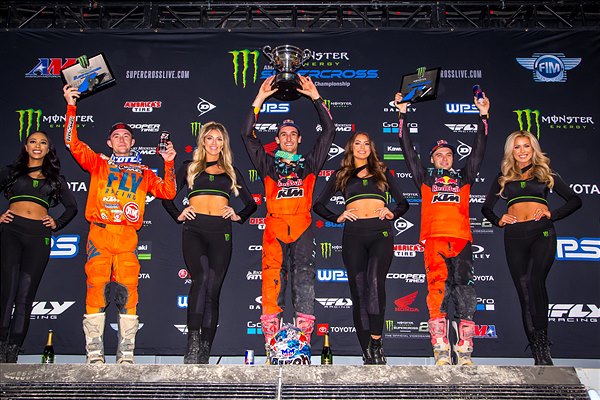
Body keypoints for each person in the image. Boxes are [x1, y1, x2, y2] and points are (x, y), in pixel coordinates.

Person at [62, 84, 176, 364]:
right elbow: (71, 142)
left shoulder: (143, 172)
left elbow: (169, 192)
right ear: (109, 142)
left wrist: (169, 163)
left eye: (126, 136)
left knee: (128, 294)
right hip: (100, 234)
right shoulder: (99, 164)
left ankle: (126, 354)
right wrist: (71, 106)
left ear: (133, 142)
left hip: (127, 237)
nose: (122, 139)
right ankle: (94, 353)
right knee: (96, 290)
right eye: (116, 136)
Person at [241, 75, 335, 357]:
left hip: (302, 227)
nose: (289, 138)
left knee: (304, 282)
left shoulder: (309, 164)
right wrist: (260, 98)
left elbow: (329, 131)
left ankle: (302, 346)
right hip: (274, 230)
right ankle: (272, 347)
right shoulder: (268, 164)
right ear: (277, 140)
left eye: (293, 134)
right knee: (271, 283)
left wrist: (315, 97)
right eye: (284, 134)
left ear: (299, 139)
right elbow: (246, 135)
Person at [394, 91, 490, 365]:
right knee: (437, 292)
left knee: (465, 292)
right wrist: (402, 114)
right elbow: (407, 149)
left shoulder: (464, 177)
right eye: (439, 155)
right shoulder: (425, 177)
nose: (445, 158)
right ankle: (440, 349)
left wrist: (483, 115)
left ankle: (465, 349)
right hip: (434, 240)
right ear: (432, 159)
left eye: (449, 155)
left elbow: (479, 149)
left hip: (461, 240)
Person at [481, 130, 581, 365]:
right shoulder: (504, 176)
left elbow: (575, 200)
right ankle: (538, 353)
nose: (522, 151)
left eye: (526, 146)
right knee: (524, 293)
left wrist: (552, 214)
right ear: (511, 151)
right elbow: (486, 208)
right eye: (517, 147)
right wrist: (498, 220)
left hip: (541, 232)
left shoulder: (545, 173)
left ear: (533, 148)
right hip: (515, 236)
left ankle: (544, 347)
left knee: (536, 282)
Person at [162, 122, 257, 364]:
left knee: (213, 290)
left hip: (221, 232)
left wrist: (237, 215)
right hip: (194, 230)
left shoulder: (231, 171)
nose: (214, 143)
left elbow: (251, 204)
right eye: (210, 138)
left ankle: (205, 350)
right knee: (201, 279)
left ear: (224, 144)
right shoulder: (189, 168)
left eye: (219, 139)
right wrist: (178, 214)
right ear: (202, 141)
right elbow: (166, 195)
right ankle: (192, 345)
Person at [313, 131, 409, 364]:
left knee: (375, 284)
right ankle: (367, 352)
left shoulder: (382, 172)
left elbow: (404, 203)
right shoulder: (342, 174)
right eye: (358, 143)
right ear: (351, 148)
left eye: (366, 143)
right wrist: (337, 217)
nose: (362, 147)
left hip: (380, 234)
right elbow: (318, 205)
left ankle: (376, 342)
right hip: (353, 236)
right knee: (359, 293)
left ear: (371, 148)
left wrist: (392, 213)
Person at [0, 131, 77, 363]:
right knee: (7, 292)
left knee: (25, 295)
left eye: (43, 142)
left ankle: (12, 351)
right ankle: (0, 346)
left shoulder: (55, 179)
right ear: (26, 147)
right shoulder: (11, 172)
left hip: (38, 237)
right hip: (11, 232)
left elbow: (72, 207)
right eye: (33, 141)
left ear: (47, 149)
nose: (37, 145)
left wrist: (57, 223)